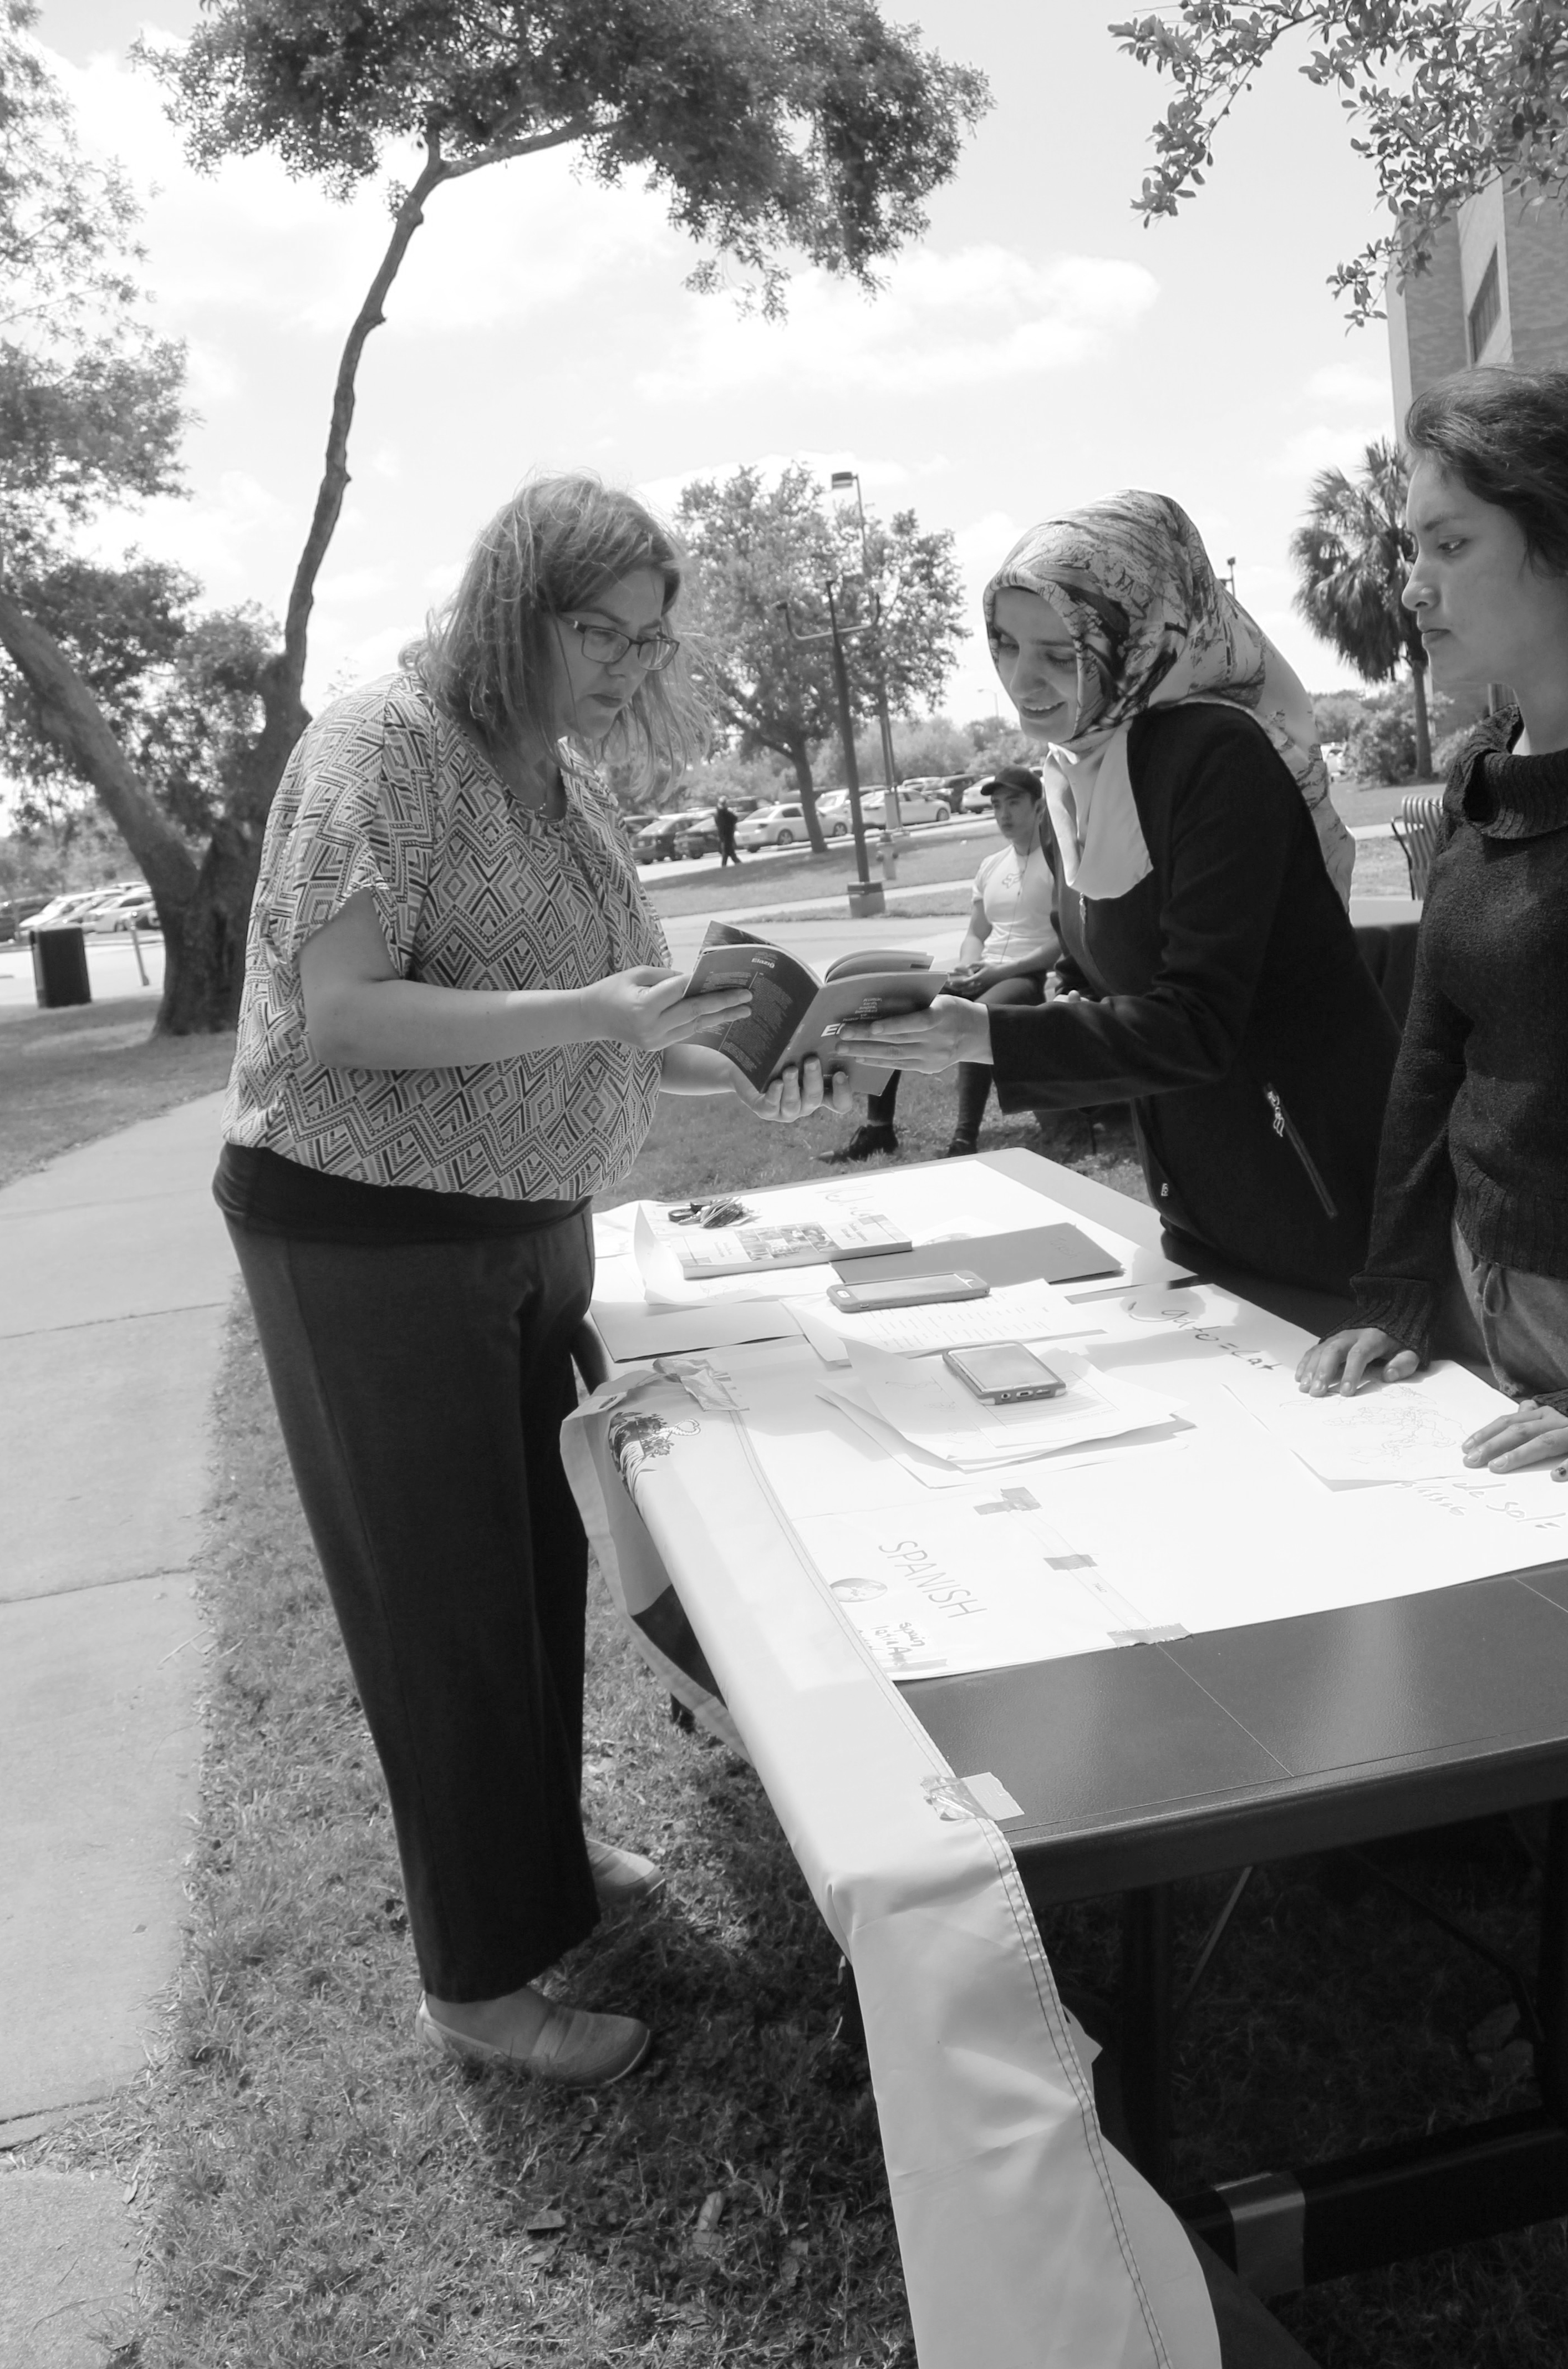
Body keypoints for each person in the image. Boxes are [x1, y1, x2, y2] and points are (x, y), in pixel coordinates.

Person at [215, 474, 838, 2088]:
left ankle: (537, 1854)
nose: (632, 664)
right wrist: (589, 1014)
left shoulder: (551, 773)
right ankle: (478, 1984)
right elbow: (340, 1012)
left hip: (518, 1222)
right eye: (599, 631)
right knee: (443, 1604)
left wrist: (759, 1053)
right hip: (363, 1233)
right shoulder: (384, 747)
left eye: (650, 636)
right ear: (518, 609)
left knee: (527, 1573)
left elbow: (612, 1013)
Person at [839, 490, 1399, 1298]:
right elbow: (1107, 972)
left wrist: (986, 1036)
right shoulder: (1078, 773)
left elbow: (1197, 1023)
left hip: (1320, 1198)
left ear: (1139, 639)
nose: (1020, 681)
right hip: (1203, 1197)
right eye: (1003, 646)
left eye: (1059, 655)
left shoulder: (1215, 758)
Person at [1296, 367, 1568, 1471]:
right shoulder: (1479, 786)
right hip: (1483, 1312)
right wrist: (1398, 1292)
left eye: (1448, 547)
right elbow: (1431, 1059)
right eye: (1410, 548)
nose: (1409, 588)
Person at [840, 766, 1061, 1160]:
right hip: (984, 971)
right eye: (996, 805)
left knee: (977, 1015)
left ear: (1040, 806)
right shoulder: (991, 866)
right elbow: (976, 932)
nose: (1004, 814)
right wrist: (968, 965)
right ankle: (879, 1129)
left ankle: (963, 1141)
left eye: (1014, 803)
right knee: (894, 1002)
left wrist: (999, 972)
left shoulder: (1058, 863)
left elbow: (1064, 943)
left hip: (1027, 975)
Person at [714, 794, 740, 866]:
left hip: (723, 835)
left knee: (728, 853)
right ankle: (738, 864)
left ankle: (725, 866)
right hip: (727, 835)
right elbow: (735, 819)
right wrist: (732, 812)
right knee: (728, 852)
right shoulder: (725, 813)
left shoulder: (718, 813)